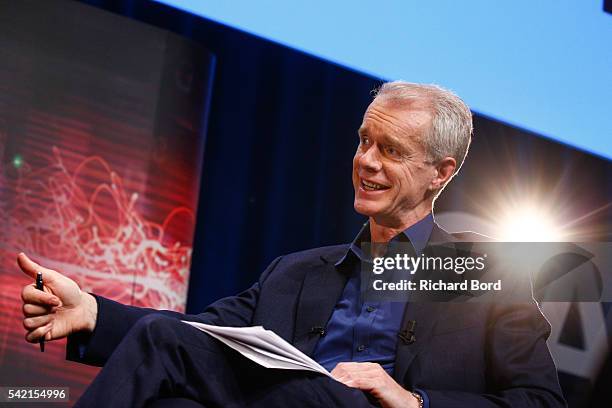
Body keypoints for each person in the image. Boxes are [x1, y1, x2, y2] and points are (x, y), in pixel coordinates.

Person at [18, 81, 566, 407]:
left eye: (392, 151)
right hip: (284, 399)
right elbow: (200, 337)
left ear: (440, 173)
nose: (366, 162)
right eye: (363, 141)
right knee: (170, 372)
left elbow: (539, 402)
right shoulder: (297, 273)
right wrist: (91, 311)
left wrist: (412, 400)